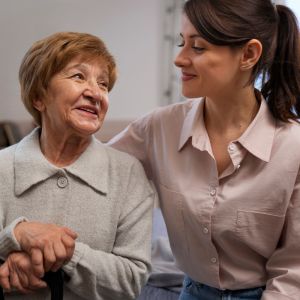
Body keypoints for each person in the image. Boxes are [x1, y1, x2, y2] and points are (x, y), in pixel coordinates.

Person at [108, 0, 300, 299]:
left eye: (197, 48)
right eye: (181, 43)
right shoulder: (159, 127)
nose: (179, 59)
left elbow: (294, 270)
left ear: (248, 54)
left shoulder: (293, 147)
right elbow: (94, 173)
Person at [0, 31, 155, 300]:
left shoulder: (128, 173)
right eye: (78, 76)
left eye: (104, 84)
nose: (96, 93)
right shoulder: (2, 168)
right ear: (39, 97)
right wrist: (16, 234)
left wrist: (65, 255)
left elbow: (132, 280)